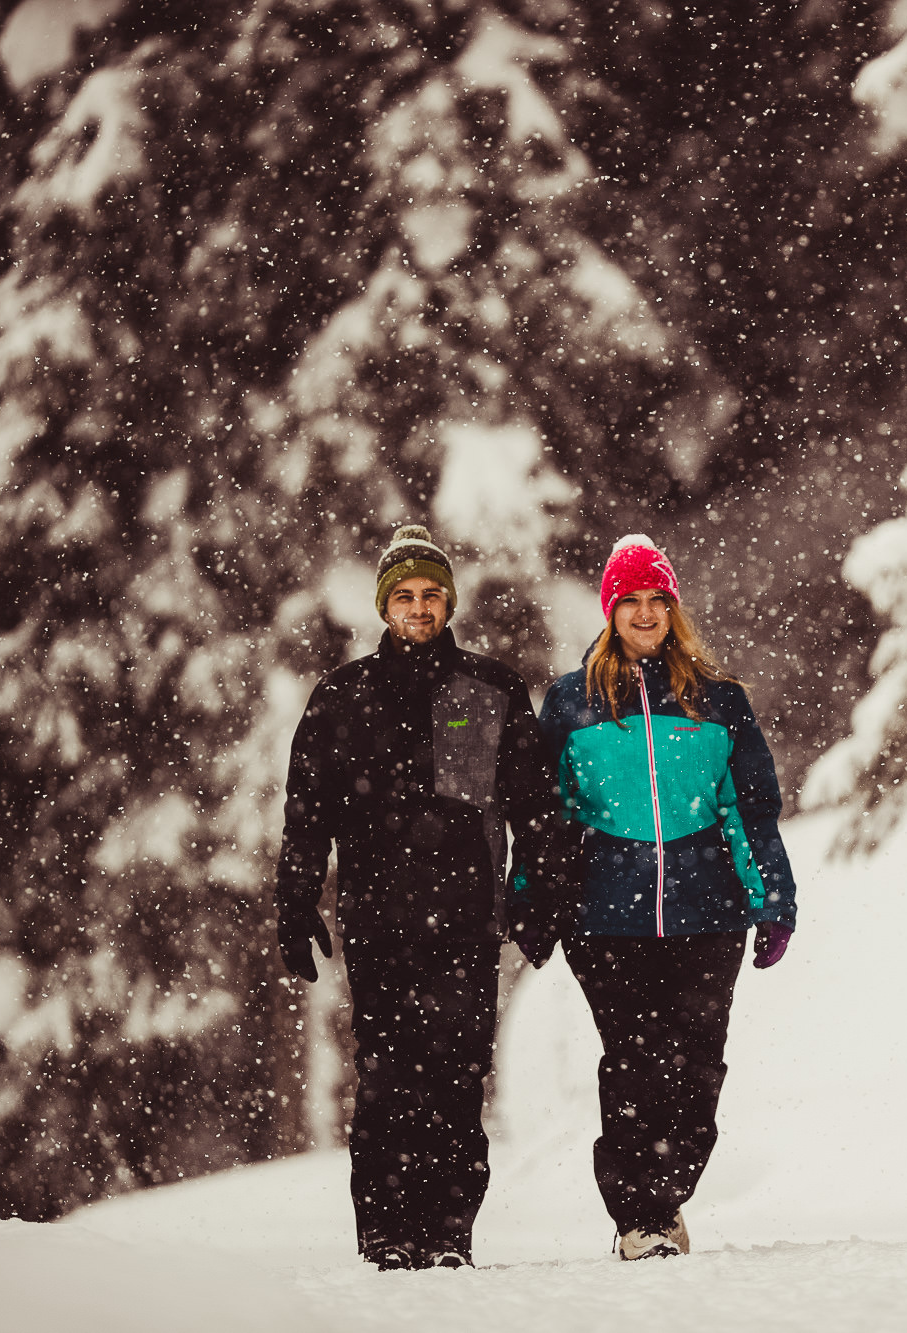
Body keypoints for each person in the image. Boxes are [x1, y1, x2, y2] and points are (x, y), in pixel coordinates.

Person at [273, 524, 579, 1271]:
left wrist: (536, 893)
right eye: (404, 595)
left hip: (468, 922)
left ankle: (446, 1234)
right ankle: (386, 1236)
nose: (418, 607)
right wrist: (295, 898)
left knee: (456, 1075)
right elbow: (307, 808)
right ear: (385, 604)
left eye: (430, 594)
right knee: (385, 1077)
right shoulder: (344, 696)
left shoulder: (491, 689)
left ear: (449, 602)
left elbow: (537, 806)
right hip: (376, 922)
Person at [520, 533, 797, 1261]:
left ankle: (667, 1194)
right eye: (630, 601)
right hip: (606, 916)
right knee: (636, 1060)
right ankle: (638, 1215)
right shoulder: (573, 700)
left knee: (699, 1064)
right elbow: (544, 814)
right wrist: (531, 900)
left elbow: (750, 806)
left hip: (708, 911)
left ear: (673, 609)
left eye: (656, 600)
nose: (644, 612)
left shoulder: (717, 699)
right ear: (611, 611)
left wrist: (773, 898)